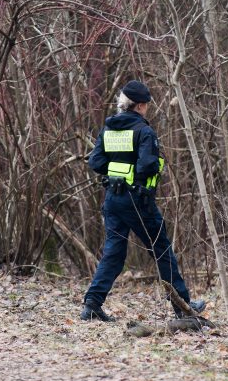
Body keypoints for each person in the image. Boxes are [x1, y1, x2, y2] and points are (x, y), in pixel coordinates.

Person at [81, 80, 206, 321]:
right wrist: (134, 177)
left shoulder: (108, 129)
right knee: (161, 251)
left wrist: (117, 175)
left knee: (113, 253)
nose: (147, 109)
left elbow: (96, 162)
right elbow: (148, 165)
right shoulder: (144, 132)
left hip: (113, 200)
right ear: (139, 106)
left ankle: (92, 304)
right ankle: (183, 306)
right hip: (137, 202)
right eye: (146, 105)